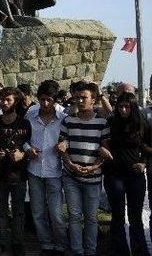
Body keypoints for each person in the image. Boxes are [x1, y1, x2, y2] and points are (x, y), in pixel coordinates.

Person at [57, 82, 110, 256]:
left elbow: (105, 150)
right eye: (77, 98)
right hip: (71, 176)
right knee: (74, 216)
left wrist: (94, 166)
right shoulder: (68, 120)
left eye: (84, 97)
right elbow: (62, 146)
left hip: (93, 179)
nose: (79, 100)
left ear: (93, 100)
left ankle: (90, 250)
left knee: (91, 217)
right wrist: (69, 164)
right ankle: (77, 250)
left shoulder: (102, 122)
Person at [102, 92, 151, 255]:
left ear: (133, 107)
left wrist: (143, 163)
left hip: (135, 176)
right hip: (114, 174)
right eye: (120, 106)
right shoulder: (110, 122)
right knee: (117, 216)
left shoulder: (141, 123)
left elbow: (149, 147)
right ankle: (119, 251)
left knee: (135, 217)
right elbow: (101, 141)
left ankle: (139, 251)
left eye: (127, 107)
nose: (123, 110)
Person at [24, 80, 67, 256]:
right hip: (34, 170)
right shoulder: (30, 115)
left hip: (55, 171)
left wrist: (65, 143)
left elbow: (70, 137)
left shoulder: (64, 117)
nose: (45, 103)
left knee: (56, 213)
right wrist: (28, 149)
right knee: (38, 212)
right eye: (42, 99)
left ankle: (61, 245)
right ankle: (46, 245)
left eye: (49, 100)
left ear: (55, 100)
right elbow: (23, 138)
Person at [0, 87, 31, 256]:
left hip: (19, 175)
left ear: (16, 102)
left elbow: (31, 147)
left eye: (8, 100)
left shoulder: (25, 123)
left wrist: (23, 155)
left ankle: (18, 243)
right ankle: (0, 242)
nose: (4, 103)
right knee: (1, 211)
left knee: (19, 211)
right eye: (2, 99)